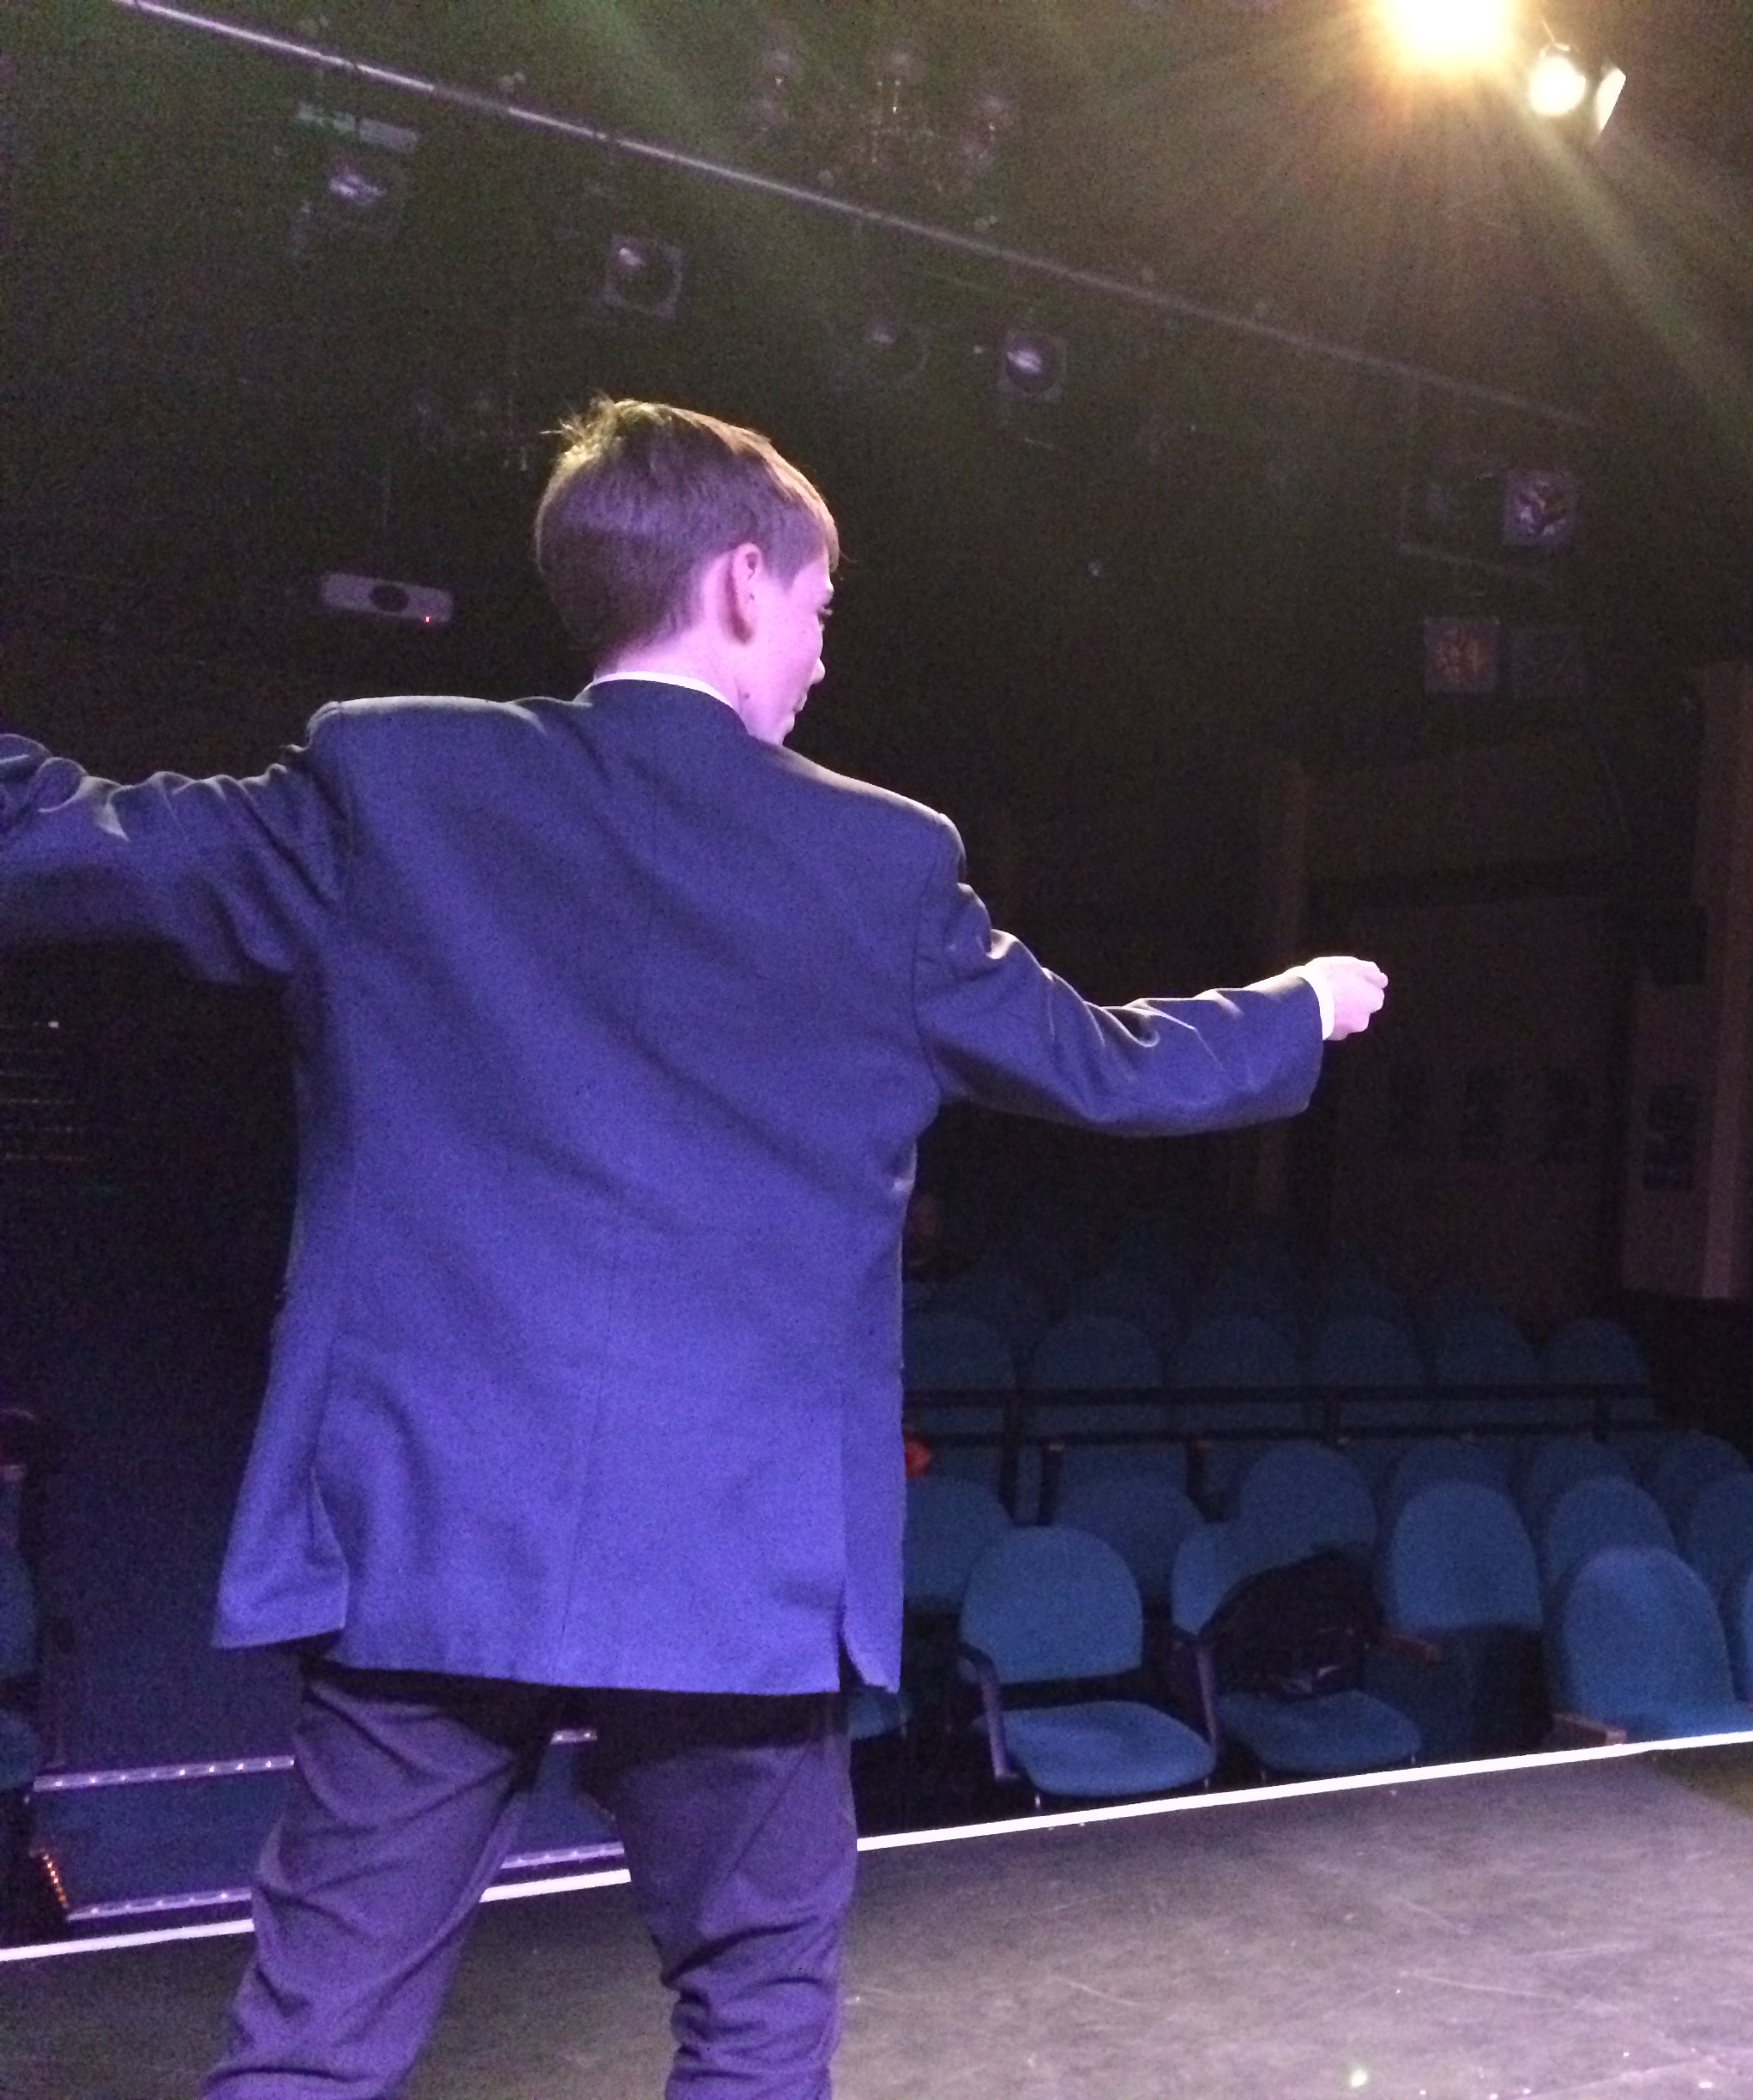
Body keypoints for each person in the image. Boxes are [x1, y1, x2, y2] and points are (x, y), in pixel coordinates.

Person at [0, 397, 1388, 2097]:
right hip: (730, 1568)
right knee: (752, 2019)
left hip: (434, 1534)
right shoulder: (883, 861)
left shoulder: (392, 778)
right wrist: (1294, 1009)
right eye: (817, 605)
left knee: (312, 2042)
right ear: (742, 581)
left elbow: (68, 846)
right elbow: (1107, 1067)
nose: (819, 650)